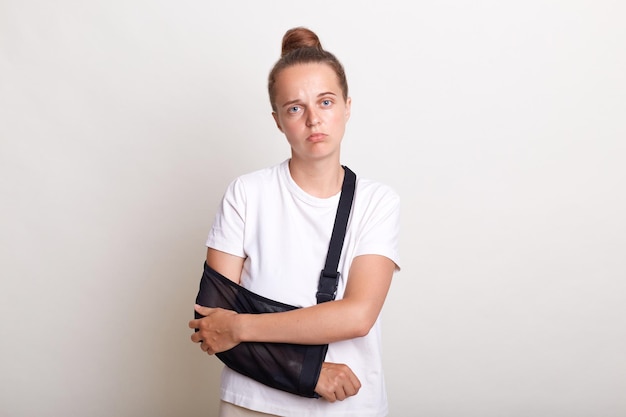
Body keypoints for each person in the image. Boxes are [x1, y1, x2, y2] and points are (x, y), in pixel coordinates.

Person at [189, 26, 401, 417]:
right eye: (294, 108)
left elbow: (357, 315)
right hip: (252, 404)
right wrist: (308, 374)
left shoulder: (377, 202)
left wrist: (242, 325)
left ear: (347, 107)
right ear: (277, 120)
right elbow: (211, 322)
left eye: (325, 102)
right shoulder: (247, 193)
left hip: (347, 405)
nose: (313, 120)